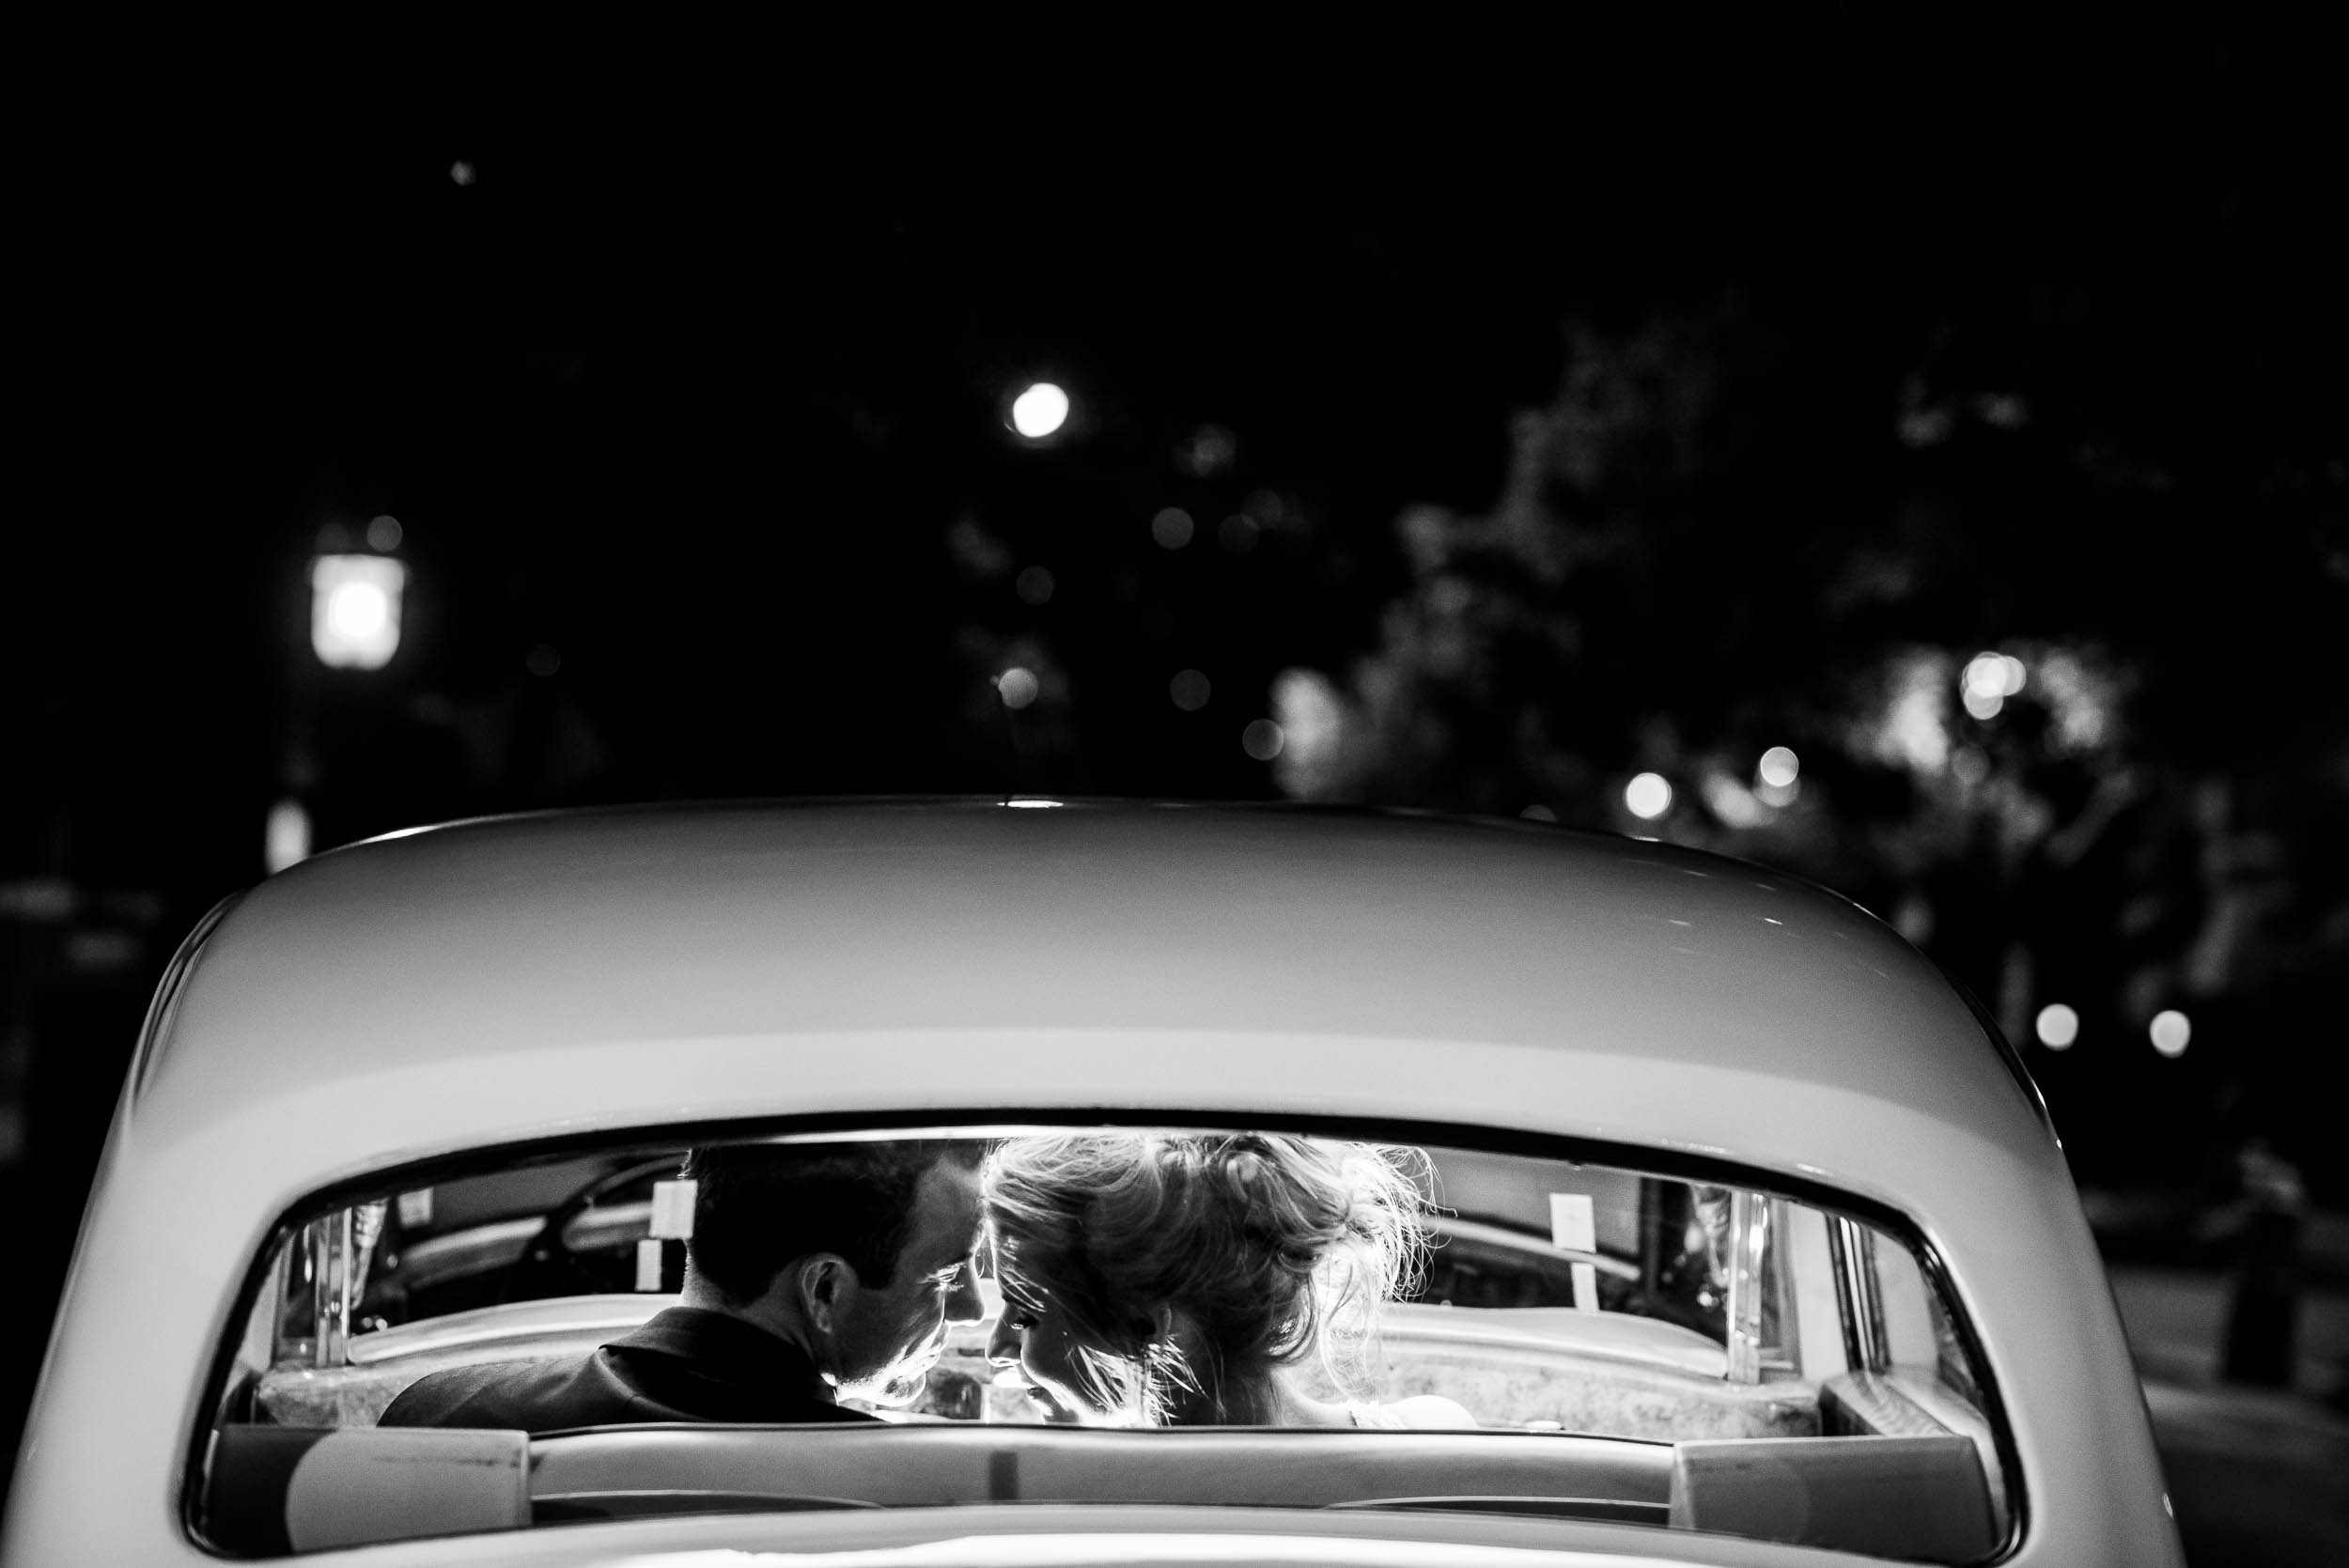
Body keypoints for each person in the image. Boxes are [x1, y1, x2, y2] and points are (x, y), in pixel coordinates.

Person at [380, 1139, 985, 1432]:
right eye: (949, 1274)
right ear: (824, 1291)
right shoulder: (910, 1493)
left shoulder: (433, 1417)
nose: (971, 1306)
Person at [983, 1130, 1473, 1429]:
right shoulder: (1435, 1434)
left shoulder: (1077, 1508)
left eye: (1026, 1315)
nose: (995, 1348)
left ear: (1146, 1327)